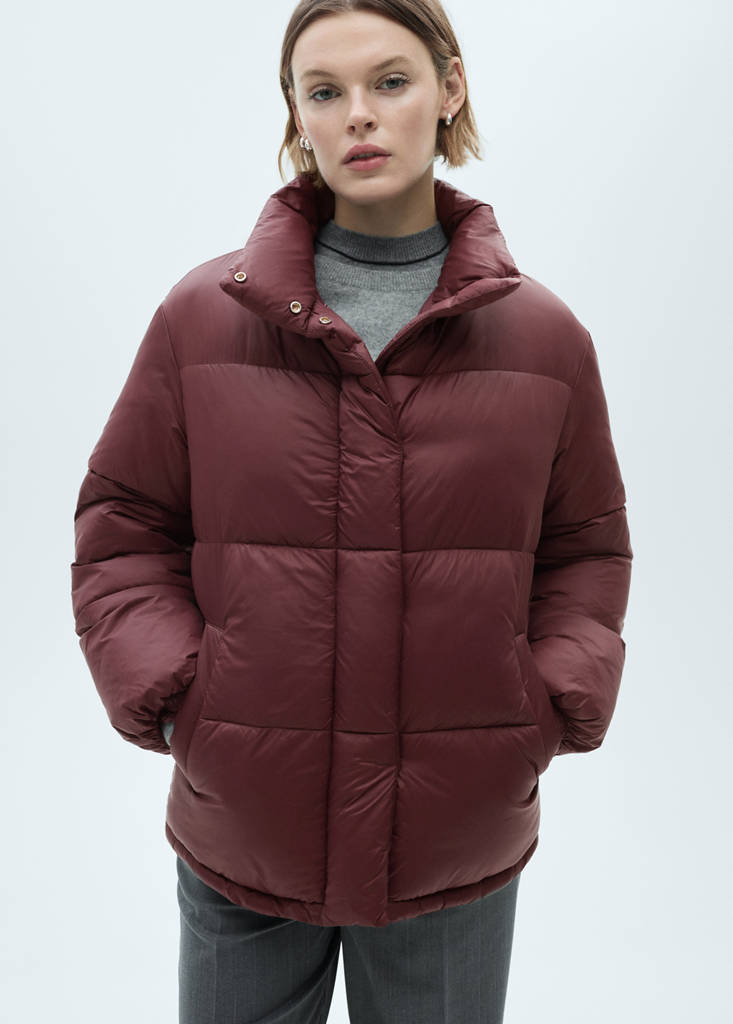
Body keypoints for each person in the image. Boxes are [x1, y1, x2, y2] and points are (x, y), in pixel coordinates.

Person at [69, 1, 633, 1021]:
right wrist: (183, 696)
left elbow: (584, 549)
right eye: (324, 91)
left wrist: (543, 701)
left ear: (449, 88)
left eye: (390, 81)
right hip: (247, 819)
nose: (357, 114)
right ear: (297, 114)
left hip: (455, 834)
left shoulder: (544, 338)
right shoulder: (204, 318)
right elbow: (124, 526)